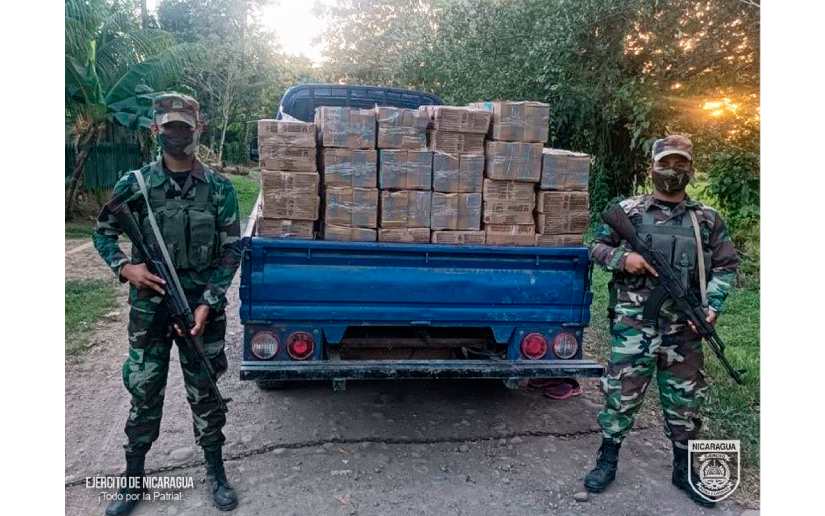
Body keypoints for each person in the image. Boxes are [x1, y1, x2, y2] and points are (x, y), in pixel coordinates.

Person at [92, 93, 242, 514]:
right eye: (170, 127)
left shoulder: (219, 188)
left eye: (185, 128)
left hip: (200, 311)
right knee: (144, 392)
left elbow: (232, 250)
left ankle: (216, 472)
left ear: (199, 129)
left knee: (206, 391)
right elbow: (102, 232)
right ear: (155, 129)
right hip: (150, 310)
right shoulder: (135, 185)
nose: (177, 135)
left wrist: (208, 302)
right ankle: (132, 480)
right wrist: (126, 268)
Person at [583, 135, 740, 507]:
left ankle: (683, 470)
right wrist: (625, 260)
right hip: (634, 325)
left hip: (684, 327)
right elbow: (595, 248)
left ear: (691, 169)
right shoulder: (629, 211)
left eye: (680, 163)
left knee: (685, 399)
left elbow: (726, 266)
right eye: (665, 163)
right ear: (652, 167)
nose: (673, 170)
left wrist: (712, 306)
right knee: (621, 392)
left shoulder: (706, 219)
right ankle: (607, 460)